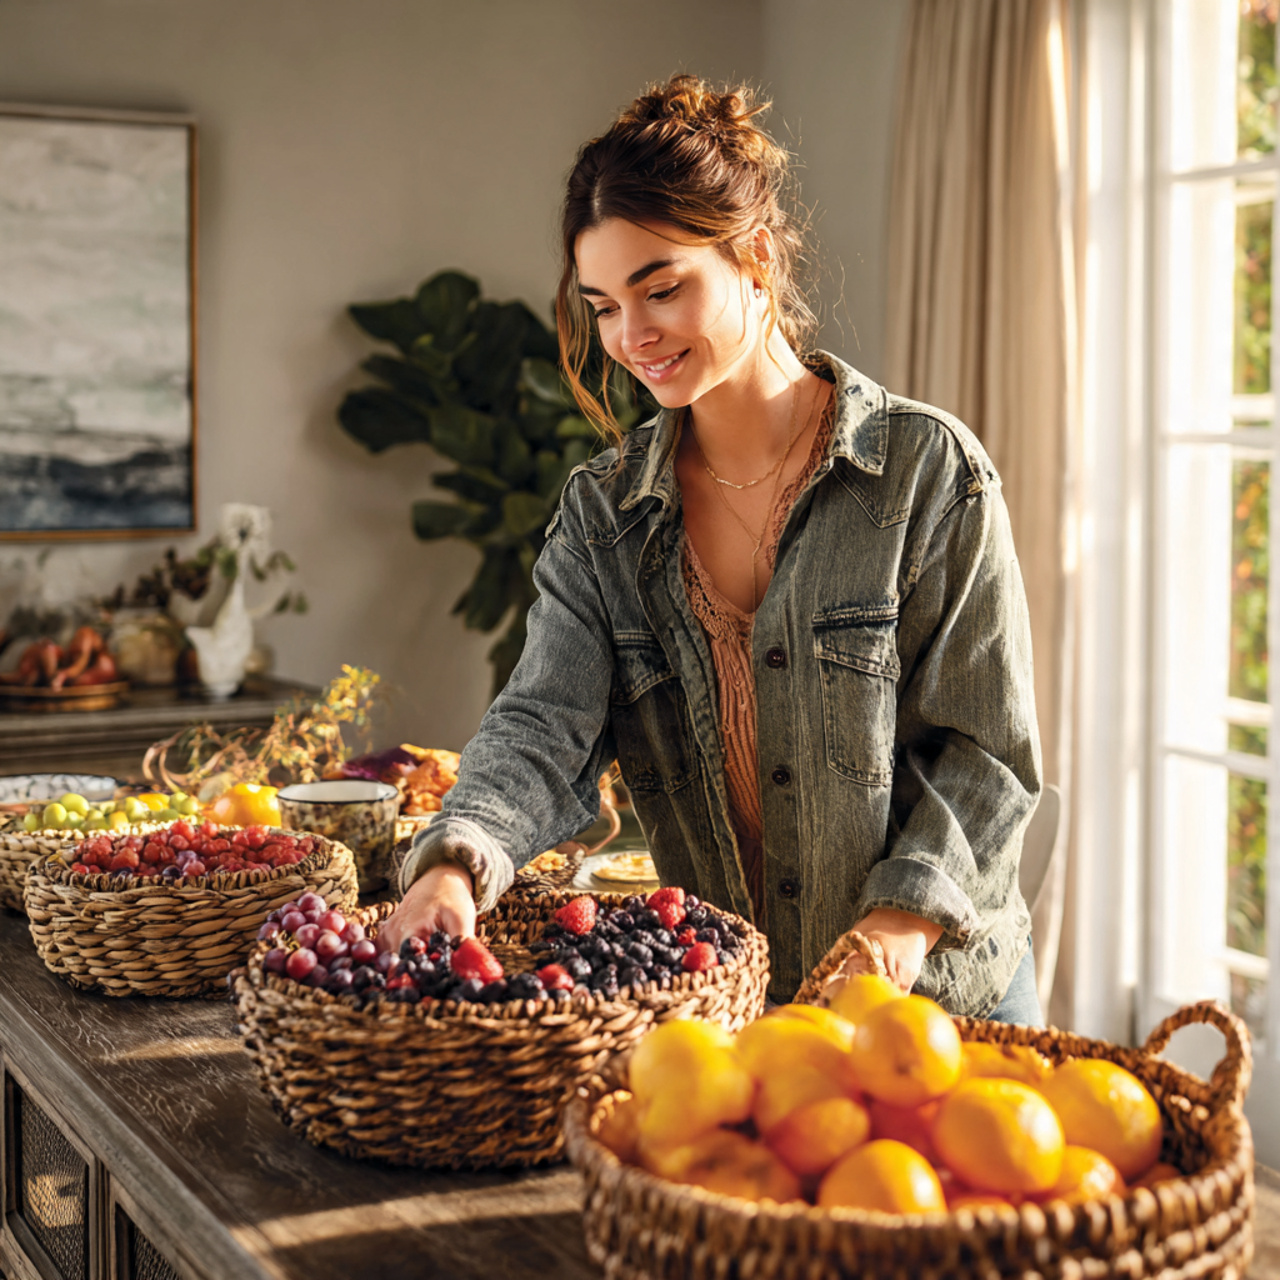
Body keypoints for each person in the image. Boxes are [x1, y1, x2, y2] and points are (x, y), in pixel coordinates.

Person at [378, 74, 1043, 1024]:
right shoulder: (604, 521)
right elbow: (540, 725)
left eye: (663, 288)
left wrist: (891, 935)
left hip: (939, 1008)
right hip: (732, 1010)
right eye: (603, 304)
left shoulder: (924, 473)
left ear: (756, 257)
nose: (632, 336)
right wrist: (454, 860)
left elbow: (985, 752)